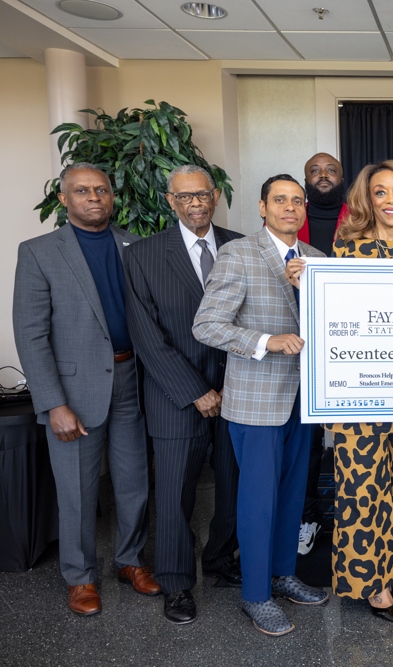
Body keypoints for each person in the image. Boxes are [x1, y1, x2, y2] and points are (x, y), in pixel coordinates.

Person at [13, 163, 158, 616]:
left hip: (131, 379)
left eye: (101, 189)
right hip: (74, 390)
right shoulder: (39, 251)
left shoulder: (134, 245)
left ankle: (129, 561)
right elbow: (30, 333)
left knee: (134, 481)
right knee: (75, 489)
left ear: (112, 196)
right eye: (82, 190)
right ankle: (80, 576)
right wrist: (52, 402)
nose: (94, 197)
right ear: (64, 199)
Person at [302, 159, 393, 624]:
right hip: (360, 394)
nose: (391, 201)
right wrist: (306, 290)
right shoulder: (344, 252)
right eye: (380, 192)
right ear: (367, 200)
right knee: (362, 489)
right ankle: (371, 582)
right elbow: (330, 325)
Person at [193, 174, 328, 637]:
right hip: (256, 403)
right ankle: (255, 595)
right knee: (256, 502)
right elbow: (207, 325)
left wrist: (303, 291)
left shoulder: (317, 259)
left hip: (304, 400)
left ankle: (284, 574)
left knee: (292, 496)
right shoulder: (239, 254)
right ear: (262, 207)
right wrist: (268, 341)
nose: (290, 208)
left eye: (297, 200)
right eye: (280, 200)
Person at [122, 165, 242, 624]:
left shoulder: (239, 245)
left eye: (204, 195)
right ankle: (176, 583)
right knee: (174, 495)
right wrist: (197, 392)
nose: (196, 203)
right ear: (170, 201)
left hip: (237, 392)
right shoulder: (143, 256)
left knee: (231, 488)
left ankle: (219, 561)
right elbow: (147, 337)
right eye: (185, 196)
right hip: (175, 397)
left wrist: (228, 386)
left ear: (215, 197)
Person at [296, 151, 351, 557]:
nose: (323, 175)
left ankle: (357, 517)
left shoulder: (360, 219)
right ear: (305, 180)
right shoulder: (286, 220)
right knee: (308, 441)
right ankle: (307, 516)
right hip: (299, 342)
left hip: (350, 341)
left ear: (341, 176)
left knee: (351, 436)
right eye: (315, 170)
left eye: (330, 169)